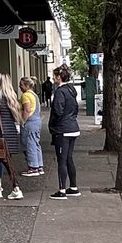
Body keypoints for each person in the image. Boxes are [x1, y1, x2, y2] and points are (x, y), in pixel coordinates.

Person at [0, 74, 28, 199]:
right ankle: (8, 188)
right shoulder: (12, 96)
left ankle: (7, 188)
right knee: (7, 160)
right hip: (11, 133)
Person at [47, 65, 82, 199]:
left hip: (62, 130)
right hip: (73, 127)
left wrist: (53, 125)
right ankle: (73, 187)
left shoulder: (60, 92)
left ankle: (62, 190)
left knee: (61, 160)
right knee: (68, 159)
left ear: (58, 77)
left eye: (55, 75)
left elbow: (57, 111)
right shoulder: (71, 90)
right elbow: (74, 109)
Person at [16, 75, 44, 177]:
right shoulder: (34, 95)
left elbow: (27, 110)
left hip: (30, 123)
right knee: (36, 144)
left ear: (26, 85)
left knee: (29, 144)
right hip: (37, 121)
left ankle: (33, 167)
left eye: (21, 85)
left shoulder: (25, 96)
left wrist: (22, 121)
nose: (20, 87)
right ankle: (39, 165)